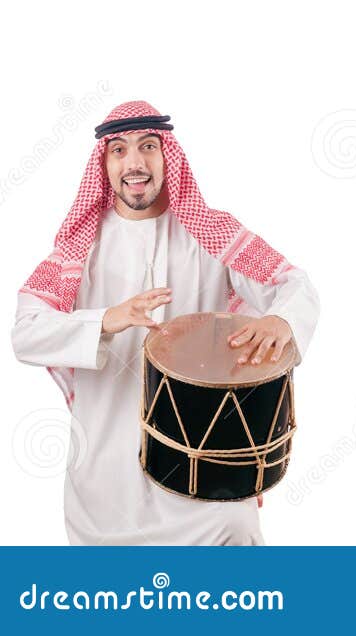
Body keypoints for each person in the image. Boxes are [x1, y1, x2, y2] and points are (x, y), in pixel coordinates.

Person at [12, 101, 320, 545]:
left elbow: (292, 283)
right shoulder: (77, 250)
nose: (134, 163)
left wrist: (281, 319)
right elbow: (25, 333)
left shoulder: (212, 234)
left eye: (148, 146)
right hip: (105, 481)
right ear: (103, 163)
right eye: (118, 150)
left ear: (167, 156)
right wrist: (106, 320)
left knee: (236, 551)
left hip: (203, 474)